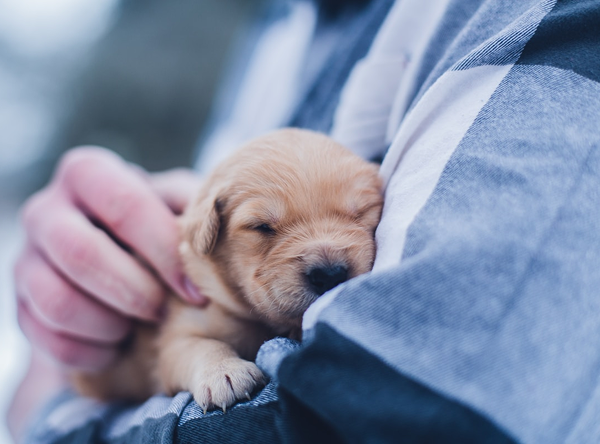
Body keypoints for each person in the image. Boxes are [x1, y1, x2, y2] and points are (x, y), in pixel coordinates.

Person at [8, 0, 600, 442]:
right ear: (206, 237)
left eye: (359, 214)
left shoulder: (542, 20)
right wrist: (64, 312)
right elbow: (161, 353)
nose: (325, 255)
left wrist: (52, 422)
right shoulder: (276, 29)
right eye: (265, 229)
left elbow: (368, 414)